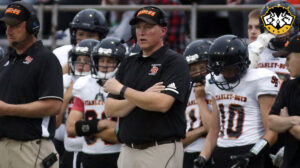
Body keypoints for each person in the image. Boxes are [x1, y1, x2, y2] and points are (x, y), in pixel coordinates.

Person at [103, 6, 191, 168]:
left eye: (148, 27)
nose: (141, 32)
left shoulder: (175, 62)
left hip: (160, 149)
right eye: (138, 27)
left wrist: (123, 90)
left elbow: (161, 104)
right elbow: (110, 109)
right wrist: (143, 96)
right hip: (128, 150)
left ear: (163, 30)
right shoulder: (128, 62)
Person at [194, 35, 279, 168]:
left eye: (229, 68)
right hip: (221, 151)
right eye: (221, 70)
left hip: (250, 147)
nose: (225, 73)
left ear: (242, 63)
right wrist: (203, 156)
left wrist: (253, 154)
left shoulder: (260, 80)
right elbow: (214, 130)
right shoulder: (214, 82)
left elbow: (272, 131)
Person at [0, 1, 63, 168]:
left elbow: (54, 106)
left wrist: (8, 109)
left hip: (32, 149)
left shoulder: (46, 59)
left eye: (14, 25)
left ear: (31, 25)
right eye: (7, 25)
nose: (8, 31)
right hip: (4, 147)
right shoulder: (7, 60)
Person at [66, 37, 126, 168]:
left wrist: (85, 129)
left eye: (110, 61)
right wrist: (100, 124)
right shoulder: (84, 84)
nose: (104, 65)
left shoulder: (125, 87)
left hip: (117, 155)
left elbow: (119, 135)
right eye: (102, 60)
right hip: (89, 156)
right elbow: (70, 128)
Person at [58, 39, 99, 168]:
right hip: (69, 146)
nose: (80, 65)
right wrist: (66, 97)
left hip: (94, 147)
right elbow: (54, 123)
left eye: (86, 61)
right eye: (78, 60)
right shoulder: (65, 81)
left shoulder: (99, 84)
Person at [268, 34, 300, 168]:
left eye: (288, 58)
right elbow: (271, 122)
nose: (285, 64)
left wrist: (286, 121)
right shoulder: (288, 86)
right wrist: (293, 120)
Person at [182, 40, 213, 168]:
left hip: (216, 151)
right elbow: (178, 141)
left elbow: (214, 130)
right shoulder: (183, 93)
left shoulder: (220, 88)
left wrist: (200, 99)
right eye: (193, 69)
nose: (198, 73)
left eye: (202, 68)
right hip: (189, 153)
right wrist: (202, 130)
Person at [53, 8, 109, 73]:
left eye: (90, 36)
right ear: (74, 35)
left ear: (101, 37)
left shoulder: (108, 58)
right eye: (80, 34)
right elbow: (51, 81)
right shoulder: (60, 54)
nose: (84, 39)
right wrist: (71, 61)